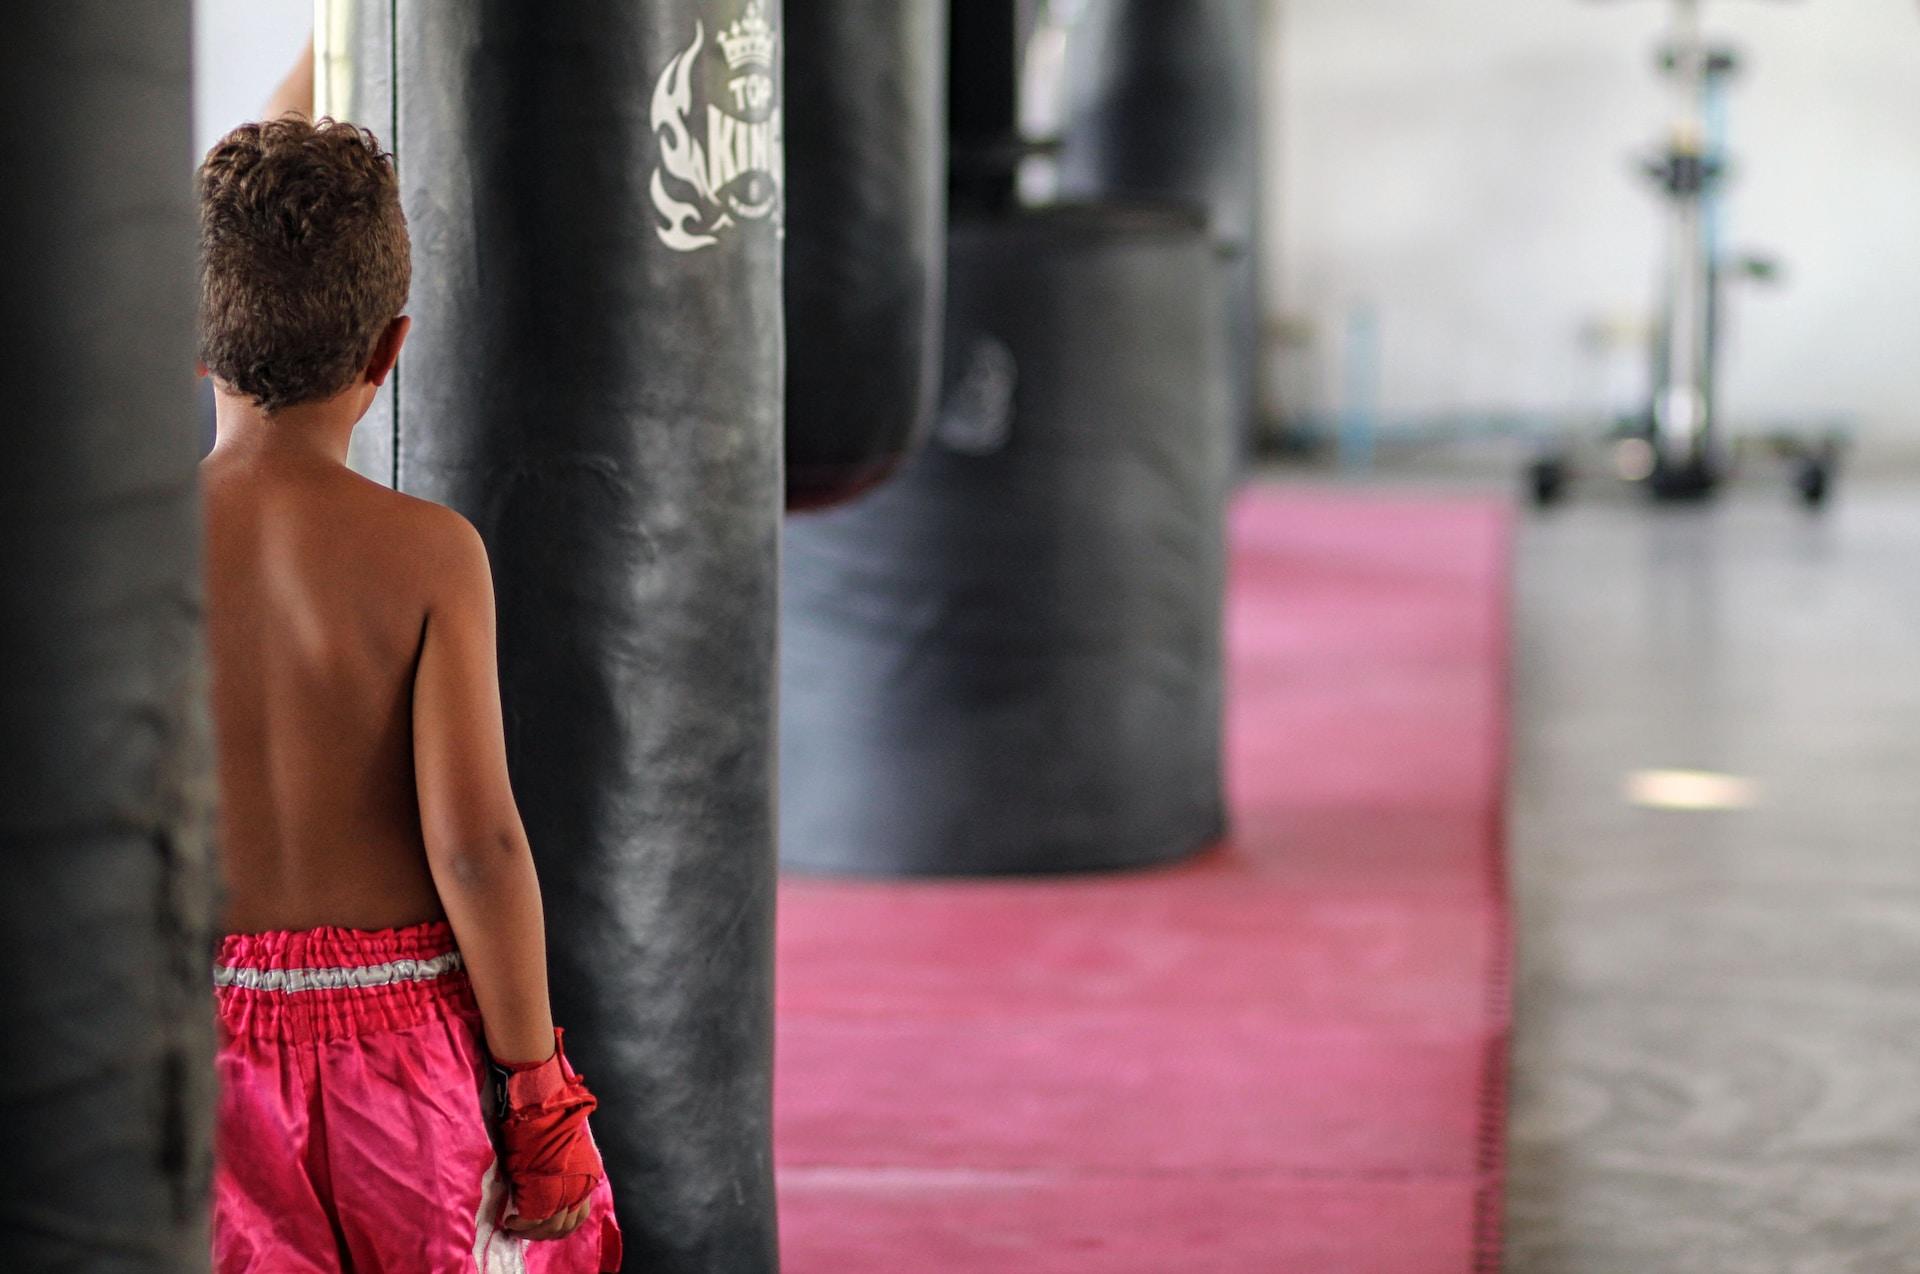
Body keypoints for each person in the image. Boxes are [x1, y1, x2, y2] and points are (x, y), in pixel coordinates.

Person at [197, 116, 621, 1272]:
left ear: (195, 342)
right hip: (402, 1050)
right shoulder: (433, 554)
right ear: (390, 350)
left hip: (187, 1051)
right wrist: (539, 1092)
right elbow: (479, 845)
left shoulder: (120, 550)